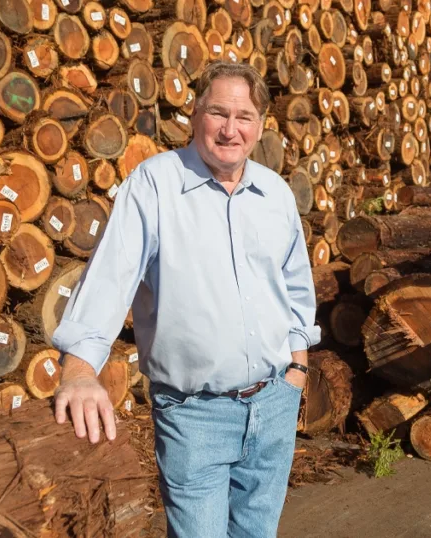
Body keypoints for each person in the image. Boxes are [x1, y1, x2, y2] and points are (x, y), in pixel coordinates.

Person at [50, 61, 321, 538]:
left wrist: (296, 369)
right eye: (219, 113)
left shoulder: (275, 194)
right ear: (195, 114)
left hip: (274, 403)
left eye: (244, 117)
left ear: (260, 125)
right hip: (195, 415)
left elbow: (296, 287)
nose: (230, 130)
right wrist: (78, 370)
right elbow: (111, 278)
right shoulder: (155, 185)